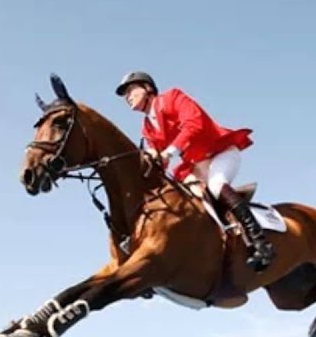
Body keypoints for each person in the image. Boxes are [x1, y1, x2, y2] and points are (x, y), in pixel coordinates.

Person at [115, 71, 275, 271]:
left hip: (219, 152)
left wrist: (169, 152)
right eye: (125, 95)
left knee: (216, 186)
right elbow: (159, 164)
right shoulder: (147, 128)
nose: (127, 97)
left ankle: (260, 242)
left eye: (131, 90)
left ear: (148, 88)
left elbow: (194, 123)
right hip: (195, 165)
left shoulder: (171, 97)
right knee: (181, 201)